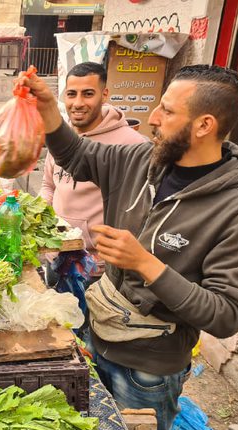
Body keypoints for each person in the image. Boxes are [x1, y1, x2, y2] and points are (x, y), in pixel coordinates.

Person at [22, 65, 238, 430]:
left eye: (167, 110)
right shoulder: (145, 160)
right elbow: (76, 155)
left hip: (150, 365)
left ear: (204, 125)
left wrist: (146, 264)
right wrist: (49, 109)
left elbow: (229, 315)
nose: (153, 117)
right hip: (99, 330)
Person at [39, 62, 147, 283]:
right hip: (56, 254)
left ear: (104, 94)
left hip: (95, 268)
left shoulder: (132, 144)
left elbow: (140, 209)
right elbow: (49, 185)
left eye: (88, 94)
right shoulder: (61, 137)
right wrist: (40, 216)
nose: (78, 103)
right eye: (71, 94)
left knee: (89, 318)